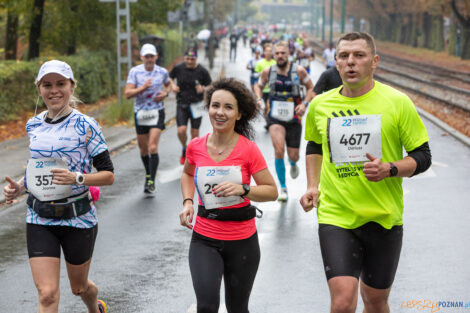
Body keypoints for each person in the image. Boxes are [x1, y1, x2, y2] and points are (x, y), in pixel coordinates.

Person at [300, 32, 432, 313]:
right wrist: (312, 185)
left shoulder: (397, 103)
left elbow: (423, 156)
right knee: (343, 301)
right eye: (344, 56)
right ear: (335, 62)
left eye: (359, 56)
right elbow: (314, 144)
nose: (351, 62)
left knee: (374, 300)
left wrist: (390, 169)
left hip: (383, 216)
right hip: (337, 216)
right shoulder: (321, 105)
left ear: (374, 62)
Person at [3, 60, 114, 313]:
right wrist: (19, 187)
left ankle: (94, 304)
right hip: (40, 216)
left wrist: (77, 178)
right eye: (47, 85)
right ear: (39, 89)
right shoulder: (33, 125)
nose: (54, 90)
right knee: (47, 295)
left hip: (78, 218)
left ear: (71, 86)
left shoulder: (87, 126)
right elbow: (38, 168)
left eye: (60, 84)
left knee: (79, 287)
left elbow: (108, 175)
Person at [179, 78, 278, 313]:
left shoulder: (248, 149)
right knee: (206, 307)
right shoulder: (195, 146)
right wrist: (188, 202)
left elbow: (271, 191)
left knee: (237, 308)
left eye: (228, 107)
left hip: (242, 242)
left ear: (239, 114)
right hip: (204, 238)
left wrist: (244, 189)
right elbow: (187, 174)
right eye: (215, 106)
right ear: (209, 108)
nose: (220, 112)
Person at [255, 41, 314, 202]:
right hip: (275, 116)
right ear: (273, 56)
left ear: (288, 54)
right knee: (279, 149)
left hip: (294, 116)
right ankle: (283, 188)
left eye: (283, 53)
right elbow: (258, 86)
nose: (280, 56)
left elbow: (311, 88)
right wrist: (259, 99)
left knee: (293, 155)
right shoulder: (268, 72)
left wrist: (305, 104)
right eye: (277, 53)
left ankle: (293, 163)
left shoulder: (299, 71)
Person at [125, 43, 171, 194]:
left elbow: (169, 85)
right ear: (142, 57)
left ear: (156, 56)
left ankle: (151, 180)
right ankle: (148, 173)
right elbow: (127, 94)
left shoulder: (162, 71)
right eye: (147, 56)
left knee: (152, 147)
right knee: (143, 149)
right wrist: (143, 87)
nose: (149, 59)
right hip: (141, 113)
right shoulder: (135, 72)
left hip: (157, 111)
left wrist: (166, 93)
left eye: (152, 56)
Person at [169, 48, 212, 164]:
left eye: (192, 59)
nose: (189, 62)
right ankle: (184, 148)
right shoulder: (178, 68)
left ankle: (191, 155)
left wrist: (203, 88)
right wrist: (172, 86)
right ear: (184, 58)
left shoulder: (202, 71)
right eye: (187, 59)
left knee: (195, 133)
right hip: (182, 104)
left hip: (197, 105)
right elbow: (169, 78)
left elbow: (210, 86)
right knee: (181, 130)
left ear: (196, 59)